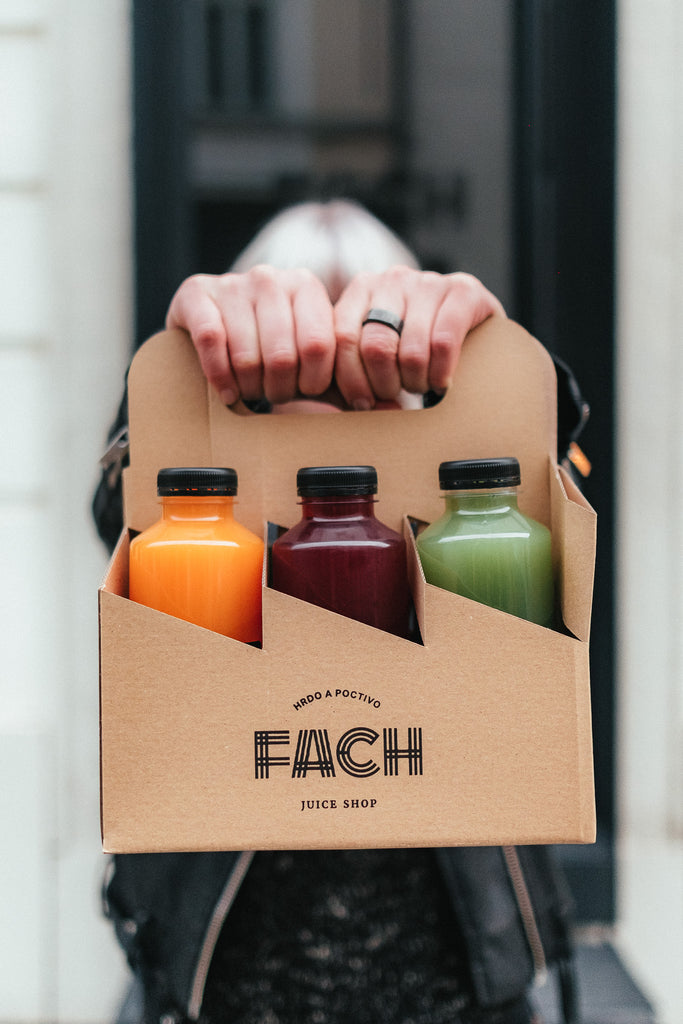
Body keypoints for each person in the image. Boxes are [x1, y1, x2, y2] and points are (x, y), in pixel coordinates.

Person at [95, 200, 585, 1024]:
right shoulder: (218, 533)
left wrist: (516, 381)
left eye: (362, 371)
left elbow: (553, 491)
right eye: (298, 368)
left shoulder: (453, 535)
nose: (332, 401)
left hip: (467, 991)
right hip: (218, 993)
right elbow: (121, 515)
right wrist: (172, 387)